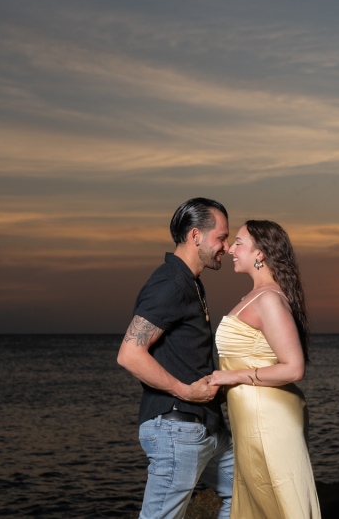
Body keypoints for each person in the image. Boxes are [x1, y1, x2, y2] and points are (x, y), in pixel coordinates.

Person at [117, 197, 235, 519]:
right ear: (196, 236)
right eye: (222, 237)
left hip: (207, 427)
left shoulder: (191, 283)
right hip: (177, 429)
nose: (227, 247)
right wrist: (186, 391)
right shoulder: (170, 282)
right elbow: (129, 354)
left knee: (244, 493)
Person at [210, 220, 321, 519]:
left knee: (280, 502)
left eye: (239, 242)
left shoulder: (269, 299)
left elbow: (294, 368)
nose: (231, 249)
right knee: (261, 502)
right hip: (253, 416)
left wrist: (232, 376)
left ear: (260, 253)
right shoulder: (257, 296)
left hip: (268, 418)